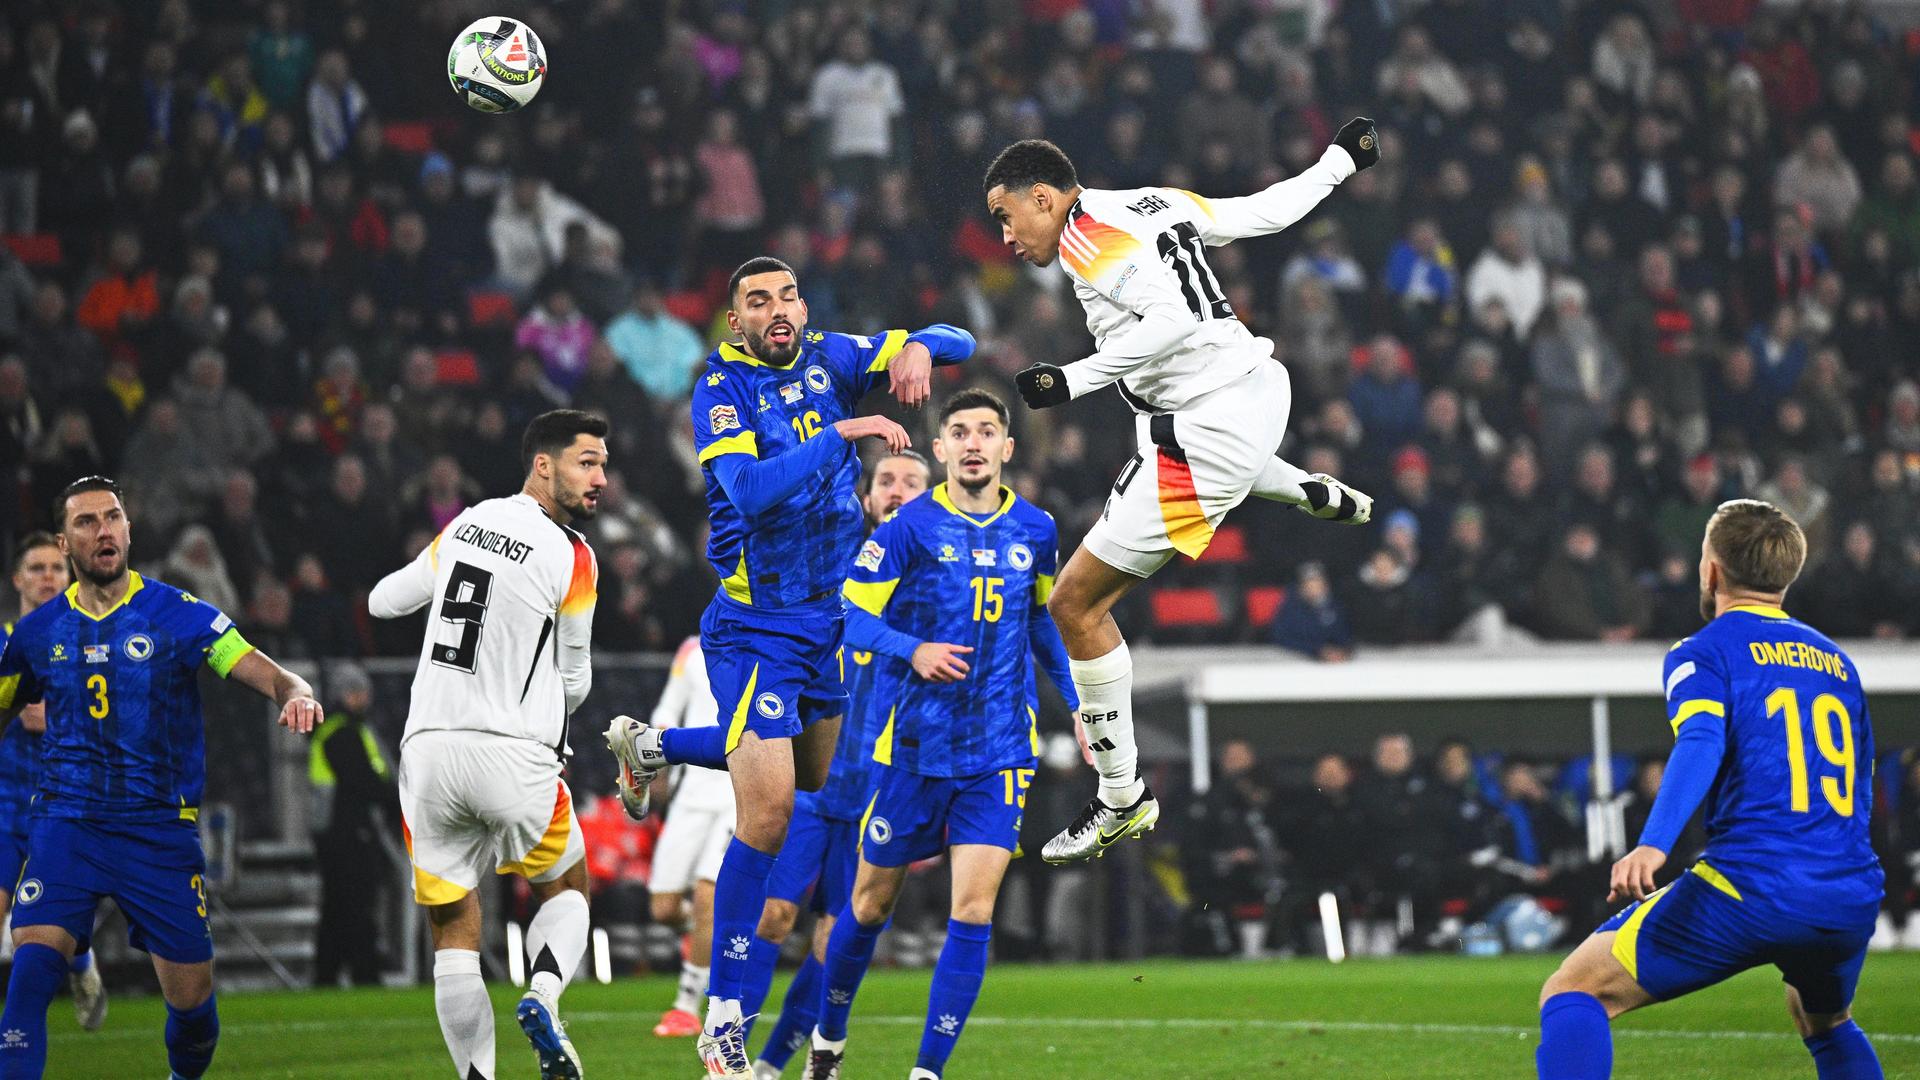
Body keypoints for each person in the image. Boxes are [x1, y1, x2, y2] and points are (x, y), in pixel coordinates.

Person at [605, 257, 973, 1077]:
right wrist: (839, 434)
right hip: (754, 628)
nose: (779, 311)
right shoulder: (719, 389)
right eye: (758, 301)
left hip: (828, 626)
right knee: (767, 814)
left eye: (789, 296)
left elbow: (962, 338)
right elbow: (747, 491)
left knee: (809, 773)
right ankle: (724, 1016)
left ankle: (652, 748)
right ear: (735, 321)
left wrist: (918, 347)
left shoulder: (835, 356)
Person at [981, 122, 1378, 864]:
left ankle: (1120, 795)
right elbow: (1262, 212)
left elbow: (1167, 321)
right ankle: (1302, 489)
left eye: (1007, 217)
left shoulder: (1085, 237)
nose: (1005, 236)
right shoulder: (1152, 201)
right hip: (1260, 392)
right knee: (1158, 441)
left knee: (1073, 603)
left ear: (1044, 197)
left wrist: (1070, 379)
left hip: (1210, 425)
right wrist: (1337, 161)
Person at [1535, 500, 1884, 1079]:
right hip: (1847, 892)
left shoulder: (1705, 651)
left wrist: (1653, 843)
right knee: (1826, 1021)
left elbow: (1700, 740)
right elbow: (1862, 782)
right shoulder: (1837, 662)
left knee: (1575, 990)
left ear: (1712, 570)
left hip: (1754, 886)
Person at [0, 477, 326, 1080]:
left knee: (194, 1010)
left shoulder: (178, 616)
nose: (103, 530)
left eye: (112, 517)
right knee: (30, 971)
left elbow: (257, 667)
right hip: (66, 824)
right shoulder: (37, 634)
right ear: (66, 545)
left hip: (156, 833)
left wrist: (295, 691)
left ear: (128, 529)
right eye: (86, 522)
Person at [806, 388, 1077, 1080]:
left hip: (999, 752)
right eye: (962, 431)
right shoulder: (909, 529)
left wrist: (1080, 699)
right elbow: (852, 617)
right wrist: (911, 648)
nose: (976, 442)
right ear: (942, 449)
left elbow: (1044, 622)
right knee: (867, 908)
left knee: (975, 907)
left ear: (1007, 449)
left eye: (989, 431)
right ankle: (827, 1043)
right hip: (913, 750)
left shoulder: (1037, 530)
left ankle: (927, 1073)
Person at [368, 410, 609, 1080]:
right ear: (543, 464)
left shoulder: (466, 523)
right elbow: (574, 678)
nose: (600, 479)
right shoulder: (574, 554)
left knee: (453, 929)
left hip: (428, 754)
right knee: (567, 887)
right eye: (586, 463)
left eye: (602, 465)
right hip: (511, 751)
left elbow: (384, 602)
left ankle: (477, 1078)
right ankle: (543, 994)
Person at [744, 451, 931, 1077]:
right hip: (814, 780)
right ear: (869, 495)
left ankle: (779, 1065)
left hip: (880, 787)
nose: (898, 489)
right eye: (886, 481)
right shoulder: (835, 559)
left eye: (911, 482)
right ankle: (731, 1054)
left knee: (834, 938)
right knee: (773, 914)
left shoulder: (940, 580)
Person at [0, 534, 105, 1031]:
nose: (47, 576)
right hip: (5, 806)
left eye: (56, 568)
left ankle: (80, 959)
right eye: (36, 567)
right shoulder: (2, 643)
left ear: (69, 578)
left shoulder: (90, 642)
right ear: (17, 579)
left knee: (48, 931)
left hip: (65, 806)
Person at [648, 635, 736, 1039]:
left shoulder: (765, 638)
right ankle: (701, 933)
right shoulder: (690, 649)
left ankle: (686, 1007)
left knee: (707, 895)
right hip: (690, 791)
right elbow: (667, 709)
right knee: (664, 908)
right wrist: (656, 760)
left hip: (738, 790)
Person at [308, 662, 399, 988]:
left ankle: (327, 976)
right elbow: (364, 781)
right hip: (346, 832)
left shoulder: (340, 730)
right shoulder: (342, 733)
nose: (365, 698)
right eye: (358, 692)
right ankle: (365, 974)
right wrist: (397, 800)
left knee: (336, 908)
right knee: (357, 905)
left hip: (337, 832)